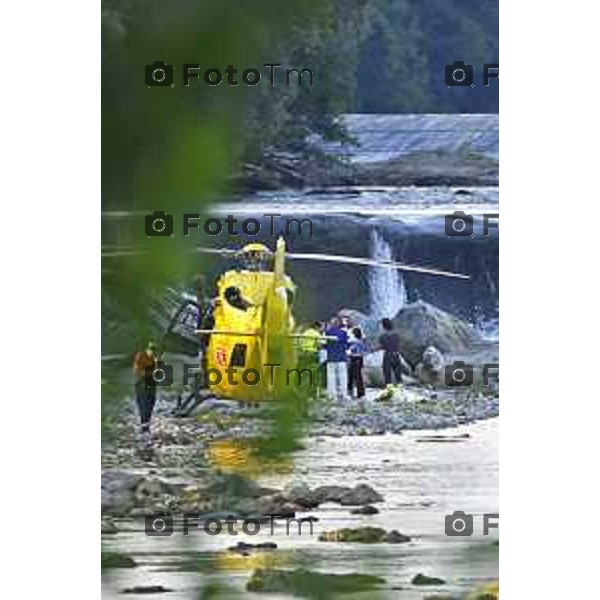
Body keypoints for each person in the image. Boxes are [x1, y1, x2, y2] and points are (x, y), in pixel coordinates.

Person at [133, 341, 159, 439]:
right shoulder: (140, 356)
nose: (152, 351)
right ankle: (144, 427)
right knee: (144, 405)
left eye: (153, 350)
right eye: (151, 349)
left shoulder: (154, 358)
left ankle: (146, 426)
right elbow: (137, 370)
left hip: (151, 384)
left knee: (151, 403)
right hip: (143, 385)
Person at [379, 318, 411, 385]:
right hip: (396, 355)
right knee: (398, 374)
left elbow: (383, 346)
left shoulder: (383, 336)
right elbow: (400, 344)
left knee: (387, 375)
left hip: (388, 355)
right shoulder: (397, 335)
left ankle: (389, 389)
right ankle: (400, 387)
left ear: (383, 326)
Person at [325, 317, 349, 400]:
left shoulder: (327, 332)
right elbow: (346, 344)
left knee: (330, 377)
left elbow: (324, 345)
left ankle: (332, 395)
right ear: (339, 323)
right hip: (341, 357)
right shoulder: (343, 332)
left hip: (331, 358)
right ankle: (344, 394)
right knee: (343, 377)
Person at [298, 321, 323, 393]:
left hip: (304, 354)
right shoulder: (316, 334)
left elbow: (300, 342)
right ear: (317, 327)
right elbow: (319, 345)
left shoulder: (306, 332)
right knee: (313, 374)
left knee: (304, 373)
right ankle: (312, 392)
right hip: (312, 354)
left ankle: (302, 390)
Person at [347, 327, 367, 398]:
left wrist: (349, 354)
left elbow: (352, 351)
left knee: (354, 377)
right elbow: (364, 351)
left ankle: (356, 392)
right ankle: (360, 392)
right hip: (360, 360)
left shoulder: (356, 342)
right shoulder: (362, 341)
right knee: (357, 376)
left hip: (355, 360)